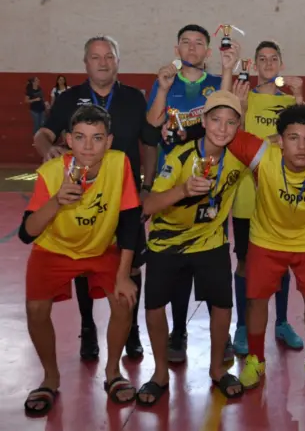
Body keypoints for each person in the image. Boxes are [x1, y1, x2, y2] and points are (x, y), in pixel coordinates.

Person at [33, 36, 158, 361]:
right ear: (85, 62)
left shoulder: (133, 98)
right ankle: (88, 328)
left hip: (125, 198)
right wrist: (47, 148)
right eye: (95, 57)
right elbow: (44, 133)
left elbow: (149, 143)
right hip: (83, 197)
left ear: (117, 61)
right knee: (83, 265)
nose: (103, 62)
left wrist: (147, 186)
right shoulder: (69, 98)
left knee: (130, 267)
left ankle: (131, 330)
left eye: (109, 56)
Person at [20, 105, 140, 415]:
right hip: (54, 249)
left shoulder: (119, 164)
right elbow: (27, 233)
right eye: (81, 138)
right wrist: (56, 201)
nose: (88, 146)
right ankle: (50, 377)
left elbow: (129, 222)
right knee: (35, 308)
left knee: (124, 299)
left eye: (97, 138)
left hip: (100, 249)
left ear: (109, 141)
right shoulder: (51, 172)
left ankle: (113, 372)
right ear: (69, 140)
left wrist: (124, 275)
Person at [137, 90, 248, 405]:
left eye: (230, 122)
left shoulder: (239, 158)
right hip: (167, 241)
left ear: (238, 126)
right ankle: (160, 373)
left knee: (222, 305)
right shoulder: (181, 156)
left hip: (209, 240)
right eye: (216, 120)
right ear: (203, 120)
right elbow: (150, 204)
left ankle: (216, 369)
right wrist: (183, 190)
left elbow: (275, 148)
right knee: (155, 306)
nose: (222, 129)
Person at [224, 104, 305, 391]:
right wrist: (240, 107)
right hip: (267, 238)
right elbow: (226, 132)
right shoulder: (264, 156)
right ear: (280, 140)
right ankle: (255, 360)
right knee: (256, 300)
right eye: (293, 137)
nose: (301, 146)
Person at [145, 24, 237, 363]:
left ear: (208, 52)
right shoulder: (166, 81)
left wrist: (228, 70)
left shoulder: (215, 84)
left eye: (200, 43)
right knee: (179, 264)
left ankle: (221, 334)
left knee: (211, 252)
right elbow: (154, 121)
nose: (193, 47)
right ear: (177, 47)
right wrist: (163, 89)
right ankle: (179, 330)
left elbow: (225, 109)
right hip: (175, 174)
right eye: (186, 42)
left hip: (213, 171)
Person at [231, 40, 305, 355]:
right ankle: (243, 326)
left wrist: (300, 95)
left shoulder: (290, 101)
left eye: (273, 58)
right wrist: (242, 109)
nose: (268, 64)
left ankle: (282, 322)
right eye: (262, 59)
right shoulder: (243, 98)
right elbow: (233, 138)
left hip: (281, 194)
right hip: (247, 195)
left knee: (283, 261)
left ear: (281, 64)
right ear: (255, 64)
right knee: (246, 261)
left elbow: (302, 137)